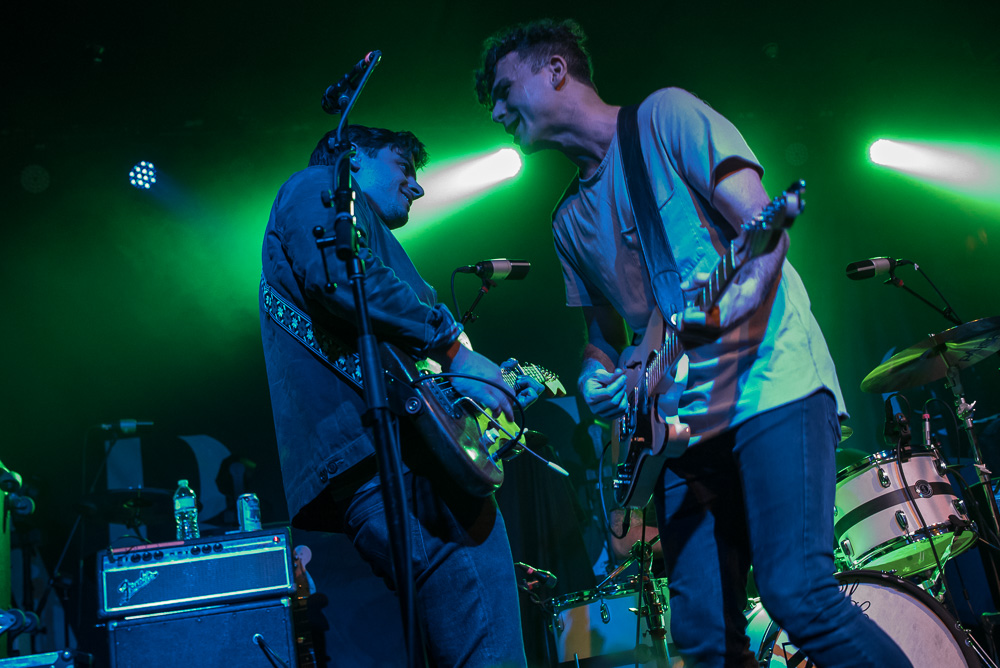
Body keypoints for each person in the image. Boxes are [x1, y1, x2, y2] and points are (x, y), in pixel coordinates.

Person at [474, 19, 912, 667]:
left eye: (505, 89)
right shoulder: (567, 220)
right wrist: (598, 379)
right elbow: (602, 340)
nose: (496, 109)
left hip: (771, 384)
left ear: (556, 70)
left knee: (800, 595)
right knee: (702, 640)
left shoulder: (666, 116)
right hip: (680, 430)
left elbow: (763, 232)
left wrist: (721, 311)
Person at [259, 124, 530, 667]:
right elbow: (341, 275)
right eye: (404, 167)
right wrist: (453, 350)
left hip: (384, 469)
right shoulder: (318, 185)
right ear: (352, 158)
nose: (418, 187)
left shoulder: (345, 218)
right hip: (402, 470)